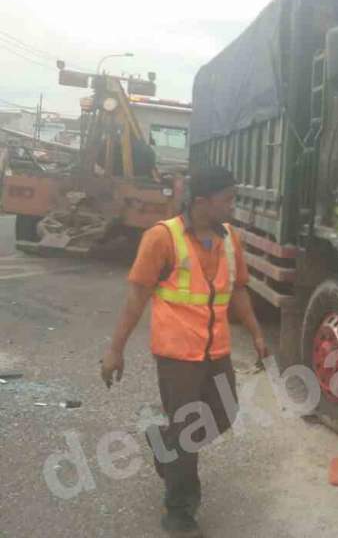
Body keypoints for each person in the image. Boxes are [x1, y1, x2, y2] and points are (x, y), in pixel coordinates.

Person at [101, 166, 268, 537]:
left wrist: (256, 333)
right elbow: (136, 298)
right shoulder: (162, 237)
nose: (233, 206)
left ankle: (166, 445)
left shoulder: (230, 240)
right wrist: (115, 349)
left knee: (224, 414)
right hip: (177, 354)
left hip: (217, 350)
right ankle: (180, 510)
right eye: (228, 199)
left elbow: (239, 290)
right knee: (187, 430)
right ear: (201, 202)